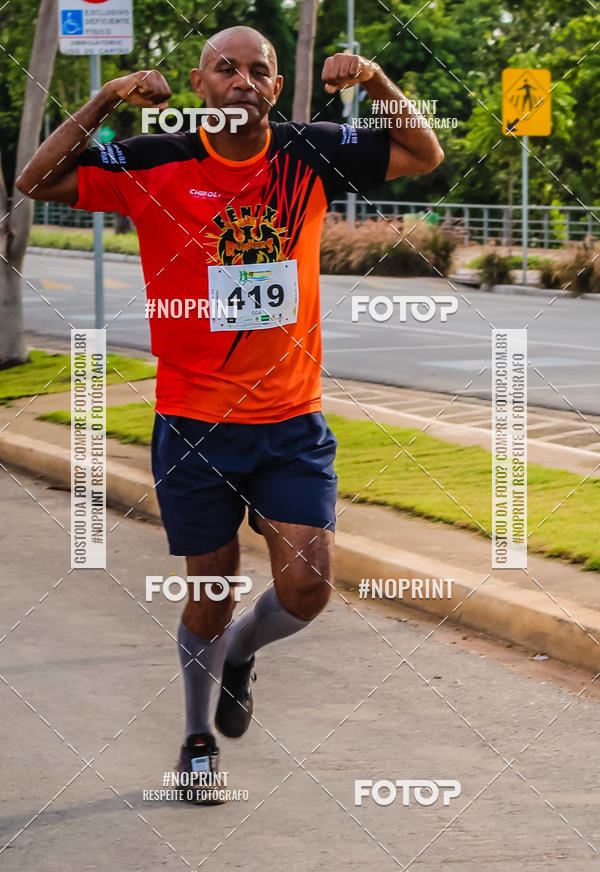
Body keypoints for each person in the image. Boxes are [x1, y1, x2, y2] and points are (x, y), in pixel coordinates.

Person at [16, 26, 444, 804]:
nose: (242, 80)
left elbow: (423, 156)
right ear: (199, 84)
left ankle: (245, 652)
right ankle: (196, 738)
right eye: (226, 68)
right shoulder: (153, 159)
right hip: (194, 423)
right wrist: (111, 97)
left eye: (258, 70)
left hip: (291, 421)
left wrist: (377, 80)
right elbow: (35, 182)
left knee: (308, 588)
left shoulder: (309, 151)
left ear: (275, 88)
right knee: (209, 592)